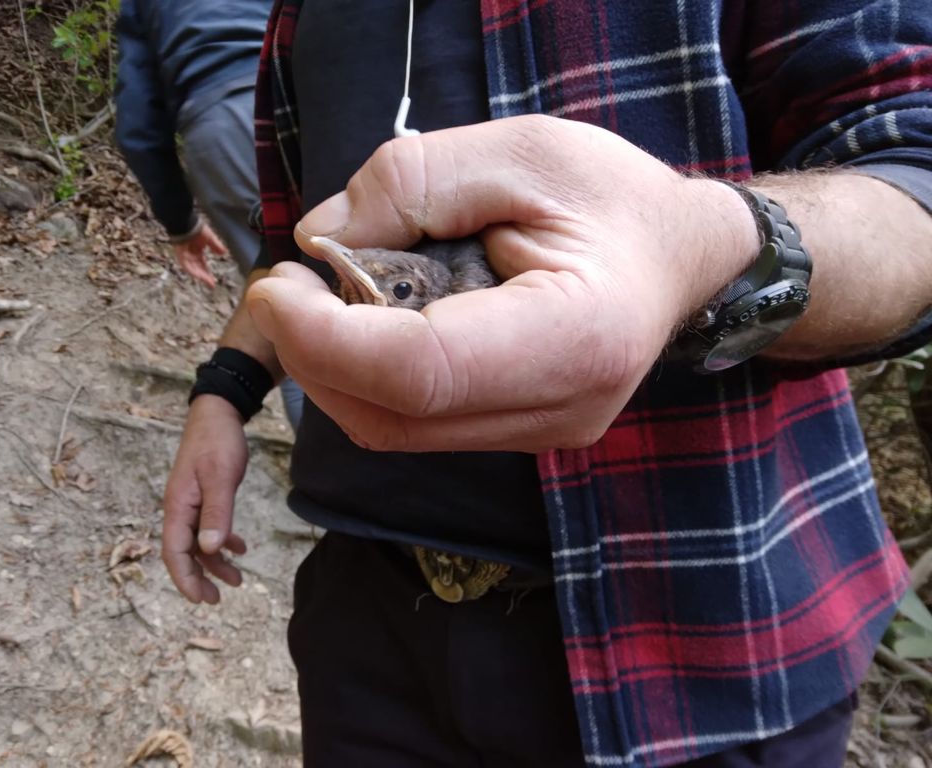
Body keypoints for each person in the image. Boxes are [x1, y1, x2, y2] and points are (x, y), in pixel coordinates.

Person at [163, 2, 932, 766]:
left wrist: (703, 245)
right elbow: (298, 245)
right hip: (369, 625)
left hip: (705, 640)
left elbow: (915, 181)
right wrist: (225, 390)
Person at [113, 0, 305, 429]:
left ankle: (331, 467)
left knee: (285, 303)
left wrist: (180, 223)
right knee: (310, 295)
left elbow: (138, 127)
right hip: (300, 95)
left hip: (214, 130)